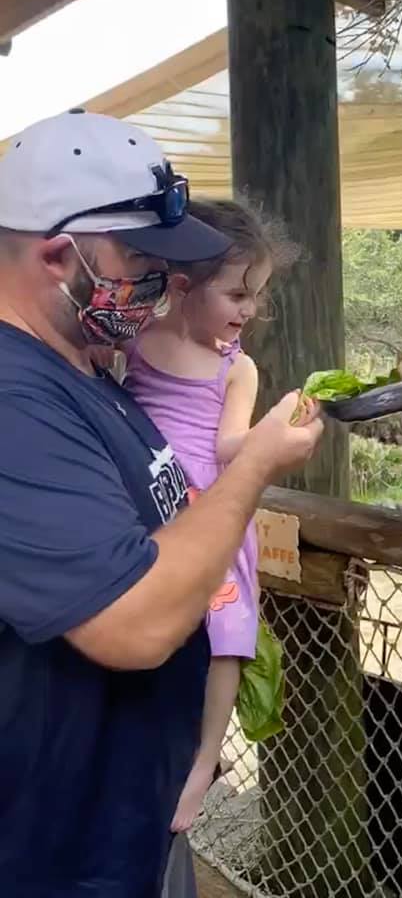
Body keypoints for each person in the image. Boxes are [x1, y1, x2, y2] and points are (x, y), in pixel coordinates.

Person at [0, 109, 323, 897]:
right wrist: (255, 471)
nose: (161, 282)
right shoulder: (13, 397)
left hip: (112, 821)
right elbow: (134, 624)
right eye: (143, 258)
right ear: (57, 256)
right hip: (45, 852)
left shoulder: (80, 368)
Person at [121, 197, 294, 833]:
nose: (249, 310)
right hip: (151, 508)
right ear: (184, 286)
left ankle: (205, 761)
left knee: (226, 635)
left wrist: (276, 435)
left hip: (214, 510)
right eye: (237, 294)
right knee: (155, 620)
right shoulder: (136, 342)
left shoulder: (237, 367)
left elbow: (226, 446)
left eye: (257, 295)